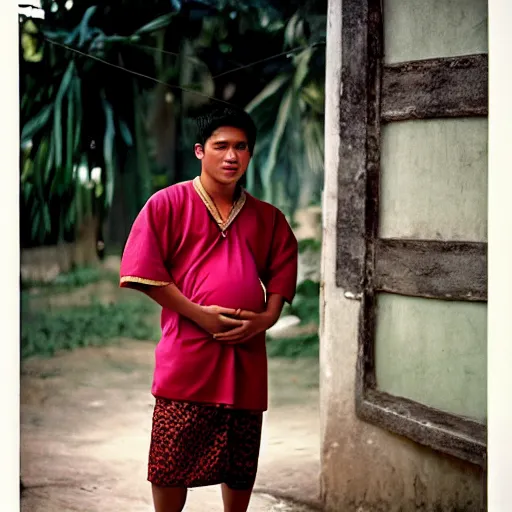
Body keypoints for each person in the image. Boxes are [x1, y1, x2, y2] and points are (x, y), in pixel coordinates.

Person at [119, 104, 298, 512]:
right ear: (201, 151)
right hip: (188, 351)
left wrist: (267, 318)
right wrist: (198, 313)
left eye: (241, 147)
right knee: (170, 460)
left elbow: (284, 265)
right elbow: (143, 270)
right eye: (221, 146)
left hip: (245, 353)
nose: (231, 156)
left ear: (250, 153)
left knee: (240, 458)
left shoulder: (268, 218)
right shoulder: (167, 204)